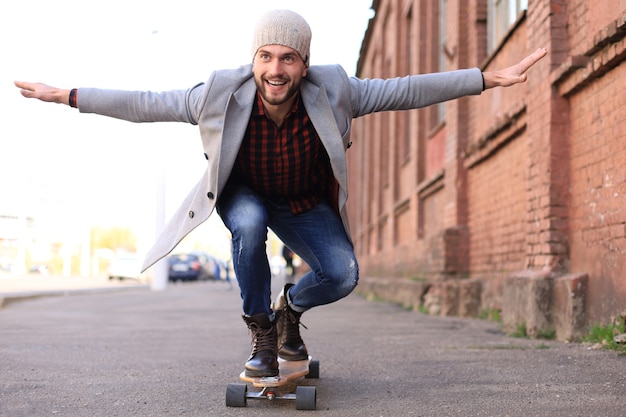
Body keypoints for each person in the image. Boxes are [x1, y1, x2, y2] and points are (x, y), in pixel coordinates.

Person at [14, 9, 547, 378]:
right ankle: (263, 334)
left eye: (287, 58)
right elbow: (150, 101)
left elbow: (406, 89)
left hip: (302, 203)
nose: (275, 70)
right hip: (247, 195)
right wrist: (69, 96)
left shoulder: (335, 89)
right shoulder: (220, 94)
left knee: (343, 275)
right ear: (253, 60)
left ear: (304, 63)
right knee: (246, 227)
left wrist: (486, 78)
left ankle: (288, 309)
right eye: (266, 57)